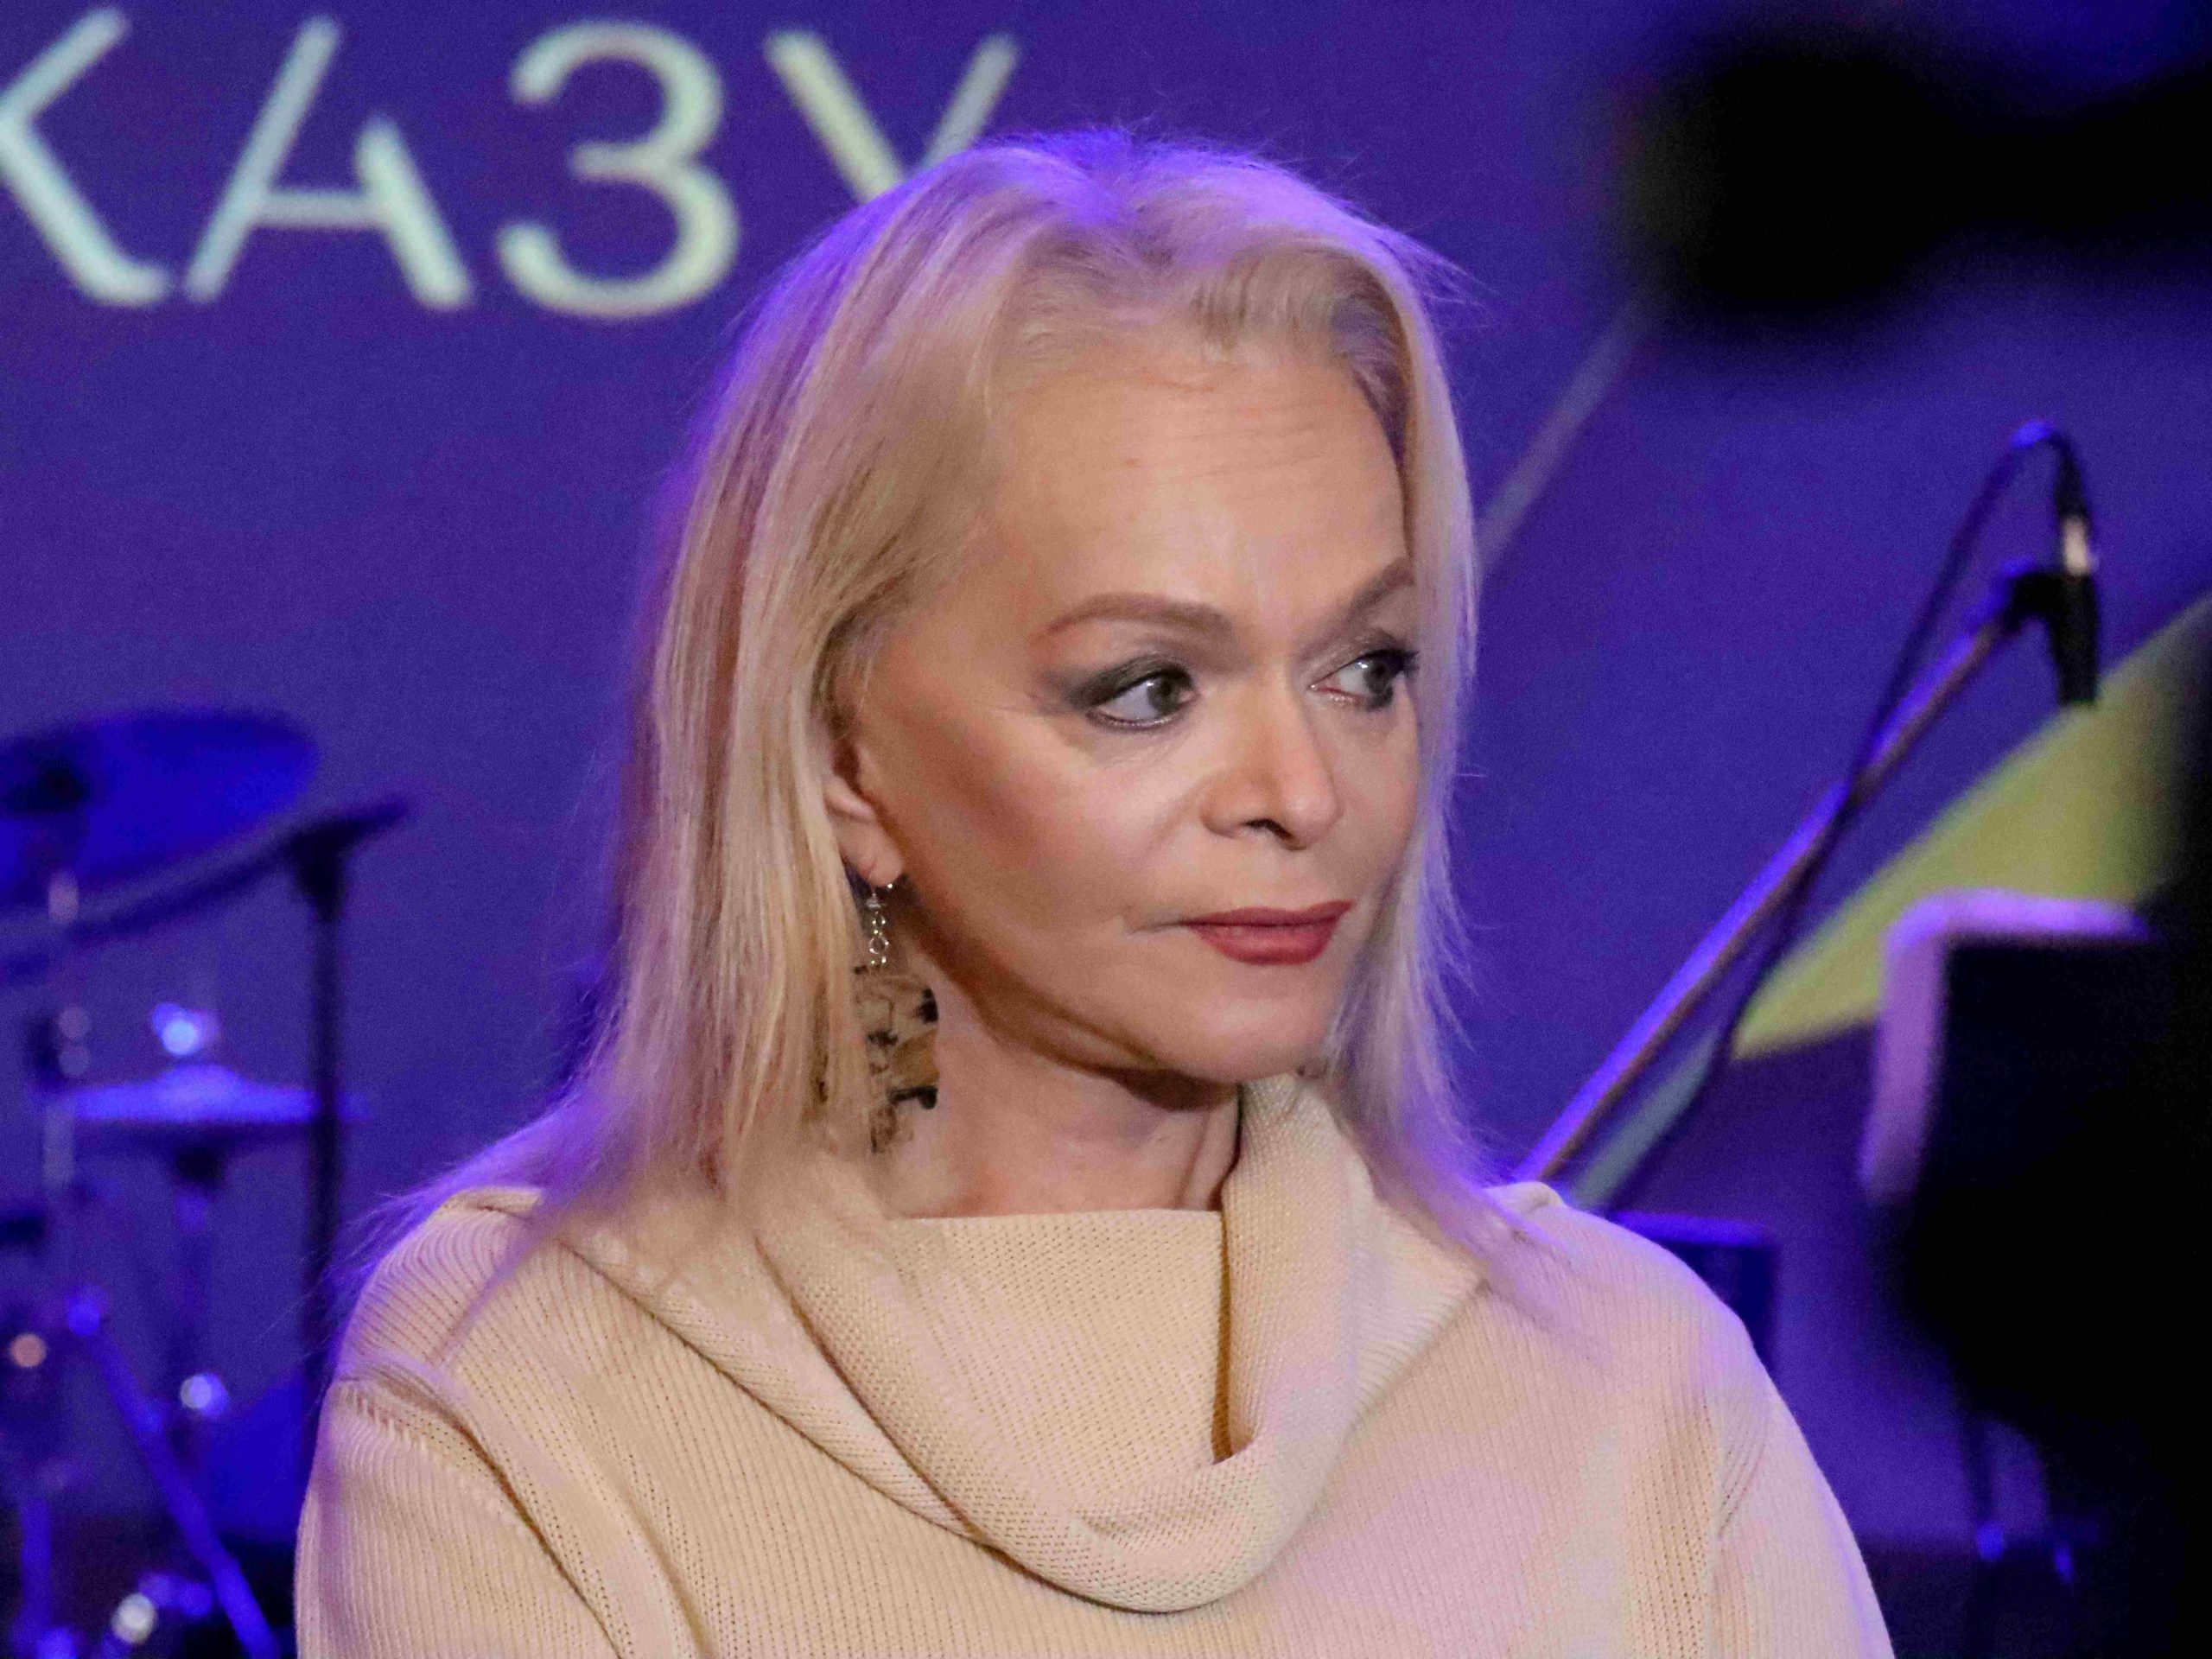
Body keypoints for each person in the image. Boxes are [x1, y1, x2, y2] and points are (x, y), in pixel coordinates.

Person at [296, 130, 1892, 1656]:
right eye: (1147, 689)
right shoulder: (535, 1385)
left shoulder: (1634, 1391)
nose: (1305, 793)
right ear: (841, 757)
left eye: (1366, 668)